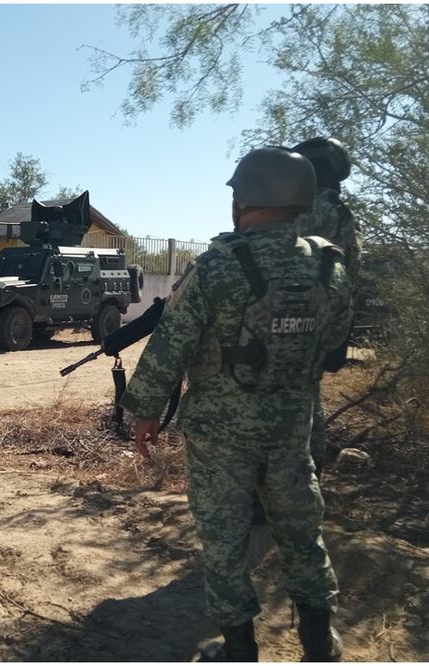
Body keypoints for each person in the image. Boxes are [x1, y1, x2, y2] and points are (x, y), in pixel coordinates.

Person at [121, 147, 351, 661]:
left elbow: (170, 344)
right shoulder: (328, 267)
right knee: (301, 534)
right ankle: (320, 643)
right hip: (293, 432)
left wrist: (144, 410)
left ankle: (239, 650)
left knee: (225, 540)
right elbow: (333, 347)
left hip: (221, 439)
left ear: (245, 200)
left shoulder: (219, 265)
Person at [292, 137, 362, 478]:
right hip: (316, 330)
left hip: (270, 323)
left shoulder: (290, 209)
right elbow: (347, 281)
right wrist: (339, 339)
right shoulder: (343, 216)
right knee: (307, 405)